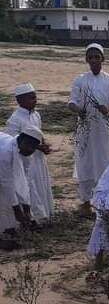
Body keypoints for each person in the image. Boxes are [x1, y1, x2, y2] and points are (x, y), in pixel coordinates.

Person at [68, 43, 109, 215]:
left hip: (103, 129)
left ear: (102, 59)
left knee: (105, 161)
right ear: (86, 59)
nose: (93, 60)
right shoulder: (80, 80)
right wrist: (79, 110)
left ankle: (104, 201)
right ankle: (86, 202)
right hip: (84, 129)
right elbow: (72, 102)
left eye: (97, 57)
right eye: (90, 57)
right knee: (84, 163)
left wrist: (108, 108)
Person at [5, 83, 54, 226]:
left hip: (38, 158)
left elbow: (39, 134)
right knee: (29, 187)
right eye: (31, 98)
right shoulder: (14, 120)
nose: (35, 100)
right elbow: (15, 142)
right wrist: (38, 147)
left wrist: (44, 144)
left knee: (40, 184)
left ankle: (43, 216)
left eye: (35, 97)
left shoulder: (36, 115)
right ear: (20, 100)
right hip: (25, 160)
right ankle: (32, 219)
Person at [0, 127, 43, 248]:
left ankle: (8, 228)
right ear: (21, 139)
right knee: (4, 195)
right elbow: (7, 183)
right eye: (29, 146)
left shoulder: (25, 151)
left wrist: (26, 208)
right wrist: (17, 210)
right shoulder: (6, 152)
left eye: (34, 148)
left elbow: (23, 180)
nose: (30, 150)